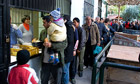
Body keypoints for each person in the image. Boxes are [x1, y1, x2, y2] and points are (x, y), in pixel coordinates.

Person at [40, 15, 67, 84]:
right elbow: (41, 42)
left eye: (44, 23)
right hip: (45, 61)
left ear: (50, 22)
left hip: (56, 62)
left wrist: (51, 45)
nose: (43, 25)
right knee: (44, 80)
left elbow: (64, 45)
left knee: (57, 81)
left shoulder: (60, 32)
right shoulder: (43, 32)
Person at [61, 15, 75, 84]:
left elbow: (69, 41)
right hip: (69, 52)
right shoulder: (71, 26)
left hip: (67, 52)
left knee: (65, 71)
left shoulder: (67, 27)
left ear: (65, 20)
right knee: (66, 70)